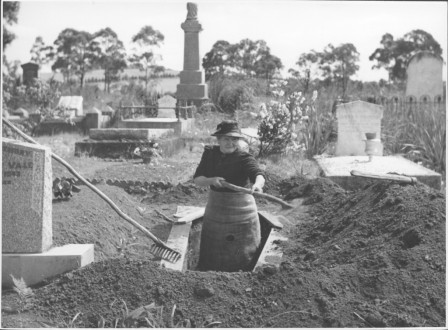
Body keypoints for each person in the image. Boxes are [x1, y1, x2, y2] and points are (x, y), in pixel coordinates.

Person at [193, 120, 265, 272]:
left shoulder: (244, 158)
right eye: (226, 139)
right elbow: (197, 179)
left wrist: (258, 185)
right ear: (218, 139)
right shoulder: (210, 154)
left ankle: (243, 272)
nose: (230, 143)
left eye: (234, 139)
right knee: (214, 252)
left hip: (242, 210)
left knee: (242, 253)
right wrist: (211, 180)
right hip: (216, 208)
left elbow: (258, 174)